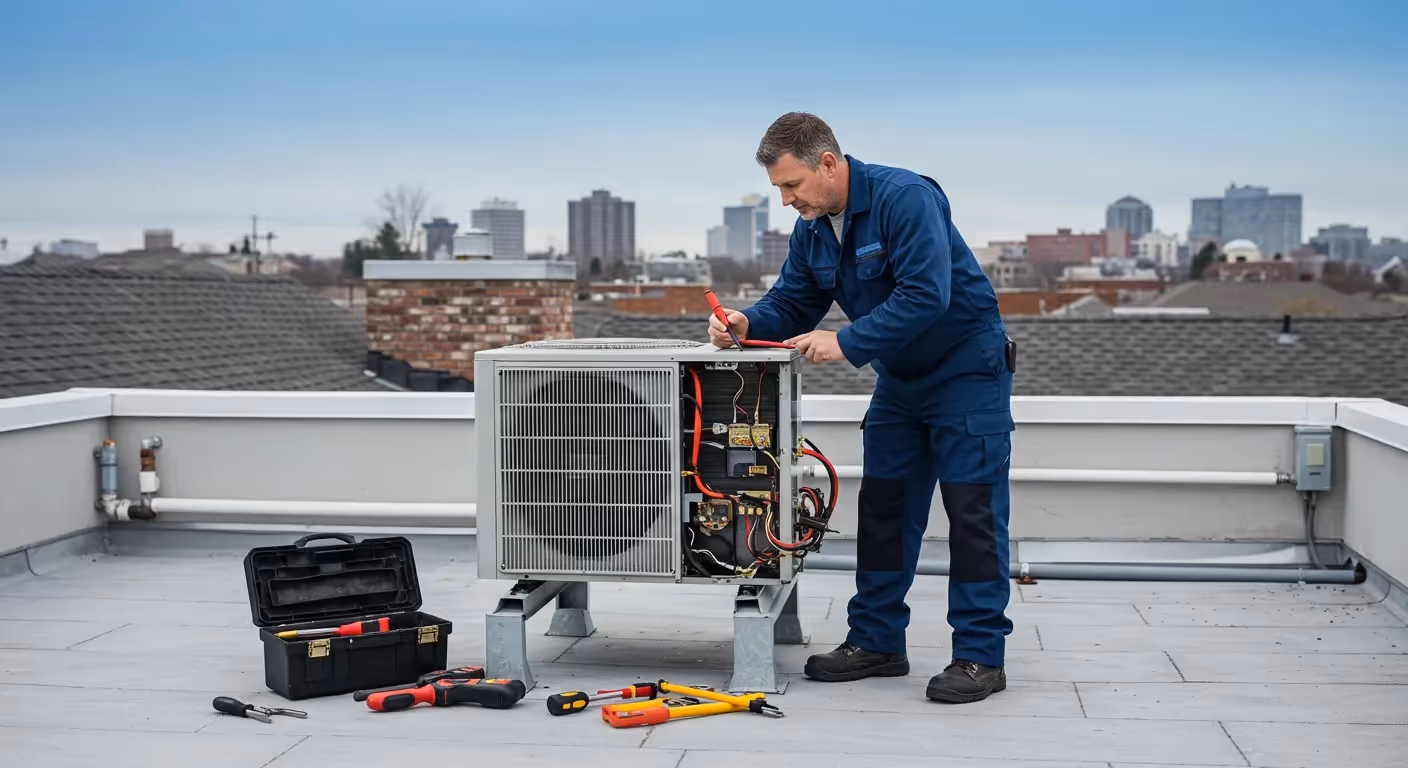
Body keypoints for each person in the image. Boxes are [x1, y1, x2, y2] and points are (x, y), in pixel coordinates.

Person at [709, 112, 1016, 703]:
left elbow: (928, 294)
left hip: (966, 372)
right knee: (885, 510)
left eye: (791, 185)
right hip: (901, 379)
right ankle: (877, 641)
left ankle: (980, 656)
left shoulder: (907, 199)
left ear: (828, 163)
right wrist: (747, 322)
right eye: (778, 188)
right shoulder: (816, 225)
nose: (786, 199)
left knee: (972, 513)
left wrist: (845, 341)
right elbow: (794, 300)